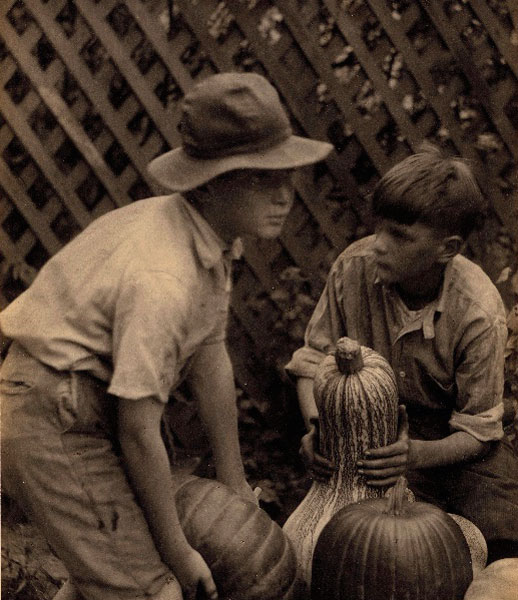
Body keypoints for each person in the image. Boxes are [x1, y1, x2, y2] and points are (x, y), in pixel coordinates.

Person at [0, 72, 333, 600]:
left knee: (111, 569)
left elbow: (209, 355)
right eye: (264, 179)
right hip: (52, 414)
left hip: (80, 404)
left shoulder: (206, 238)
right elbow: (138, 430)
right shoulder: (163, 277)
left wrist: (234, 483)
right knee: (152, 587)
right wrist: (178, 554)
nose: (286, 196)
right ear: (213, 181)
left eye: (288, 176)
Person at [285, 143, 518, 564]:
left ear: (446, 249)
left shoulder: (477, 309)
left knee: (500, 532)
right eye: (380, 228)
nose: (377, 245)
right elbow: (311, 363)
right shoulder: (351, 269)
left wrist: (418, 455)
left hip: (452, 441)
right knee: (343, 549)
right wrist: (321, 430)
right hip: (367, 432)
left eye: (400, 236)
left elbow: (480, 430)